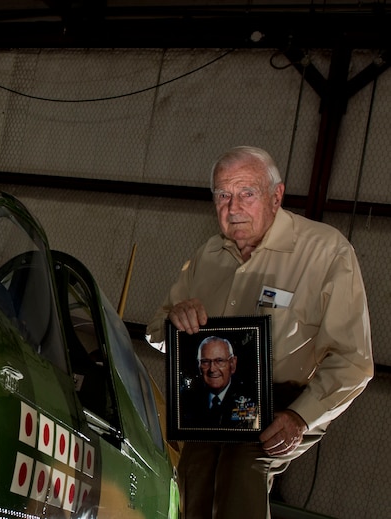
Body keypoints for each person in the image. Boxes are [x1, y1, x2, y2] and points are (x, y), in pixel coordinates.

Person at [146, 146, 373, 518]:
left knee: (242, 471)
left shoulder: (326, 252)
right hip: (210, 403)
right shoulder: (208, 255)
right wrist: (175, 320)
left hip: (284, 400)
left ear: (276, 196)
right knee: (191, 481)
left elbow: (354, 362)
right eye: (223, 195)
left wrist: (300, 418)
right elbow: (157, 331)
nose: (233, 207)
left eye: (246, 193)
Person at [180, 336, 257, 429]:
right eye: (205, 362)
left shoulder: (252, 397)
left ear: (232, 364)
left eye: (219, 361)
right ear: (199, 366)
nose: (212, 369)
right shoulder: (187, 401)